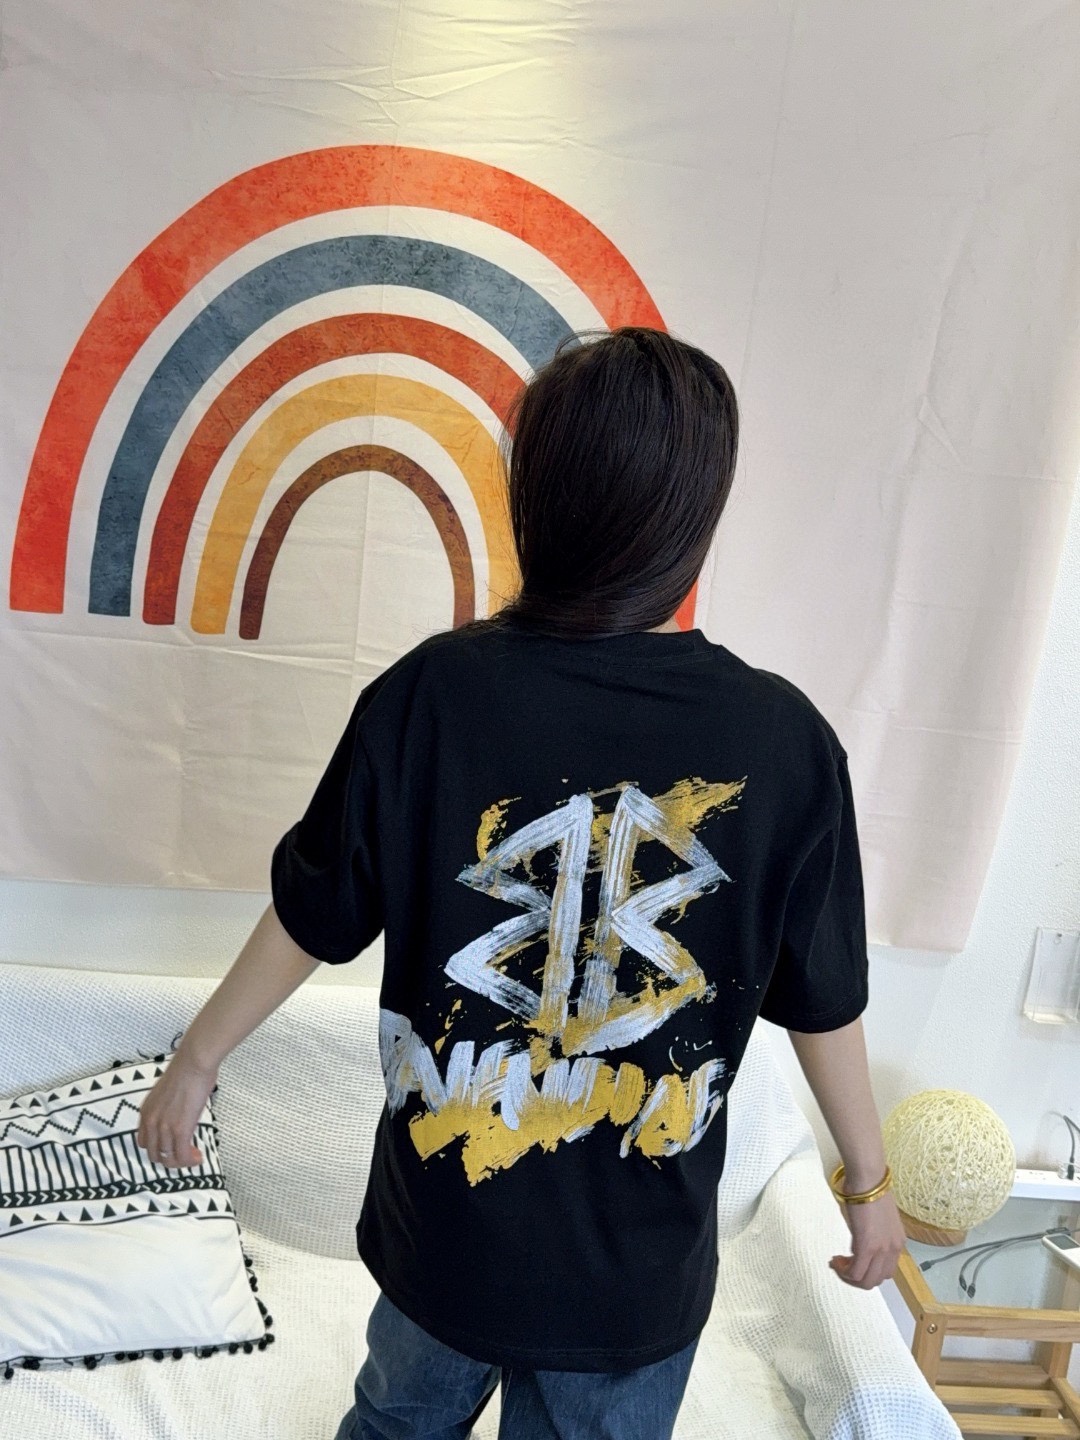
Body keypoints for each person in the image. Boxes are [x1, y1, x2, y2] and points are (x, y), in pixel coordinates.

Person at [136, 326, 906, 1440]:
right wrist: (868, 1186)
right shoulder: (783, 742)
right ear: (695, 515)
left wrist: (199, 1059)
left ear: (535, 495)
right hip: (623, 1275)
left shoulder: (430, 696)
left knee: (393, 1425)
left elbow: (312, 911)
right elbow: (825, 995)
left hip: (447, 1225)